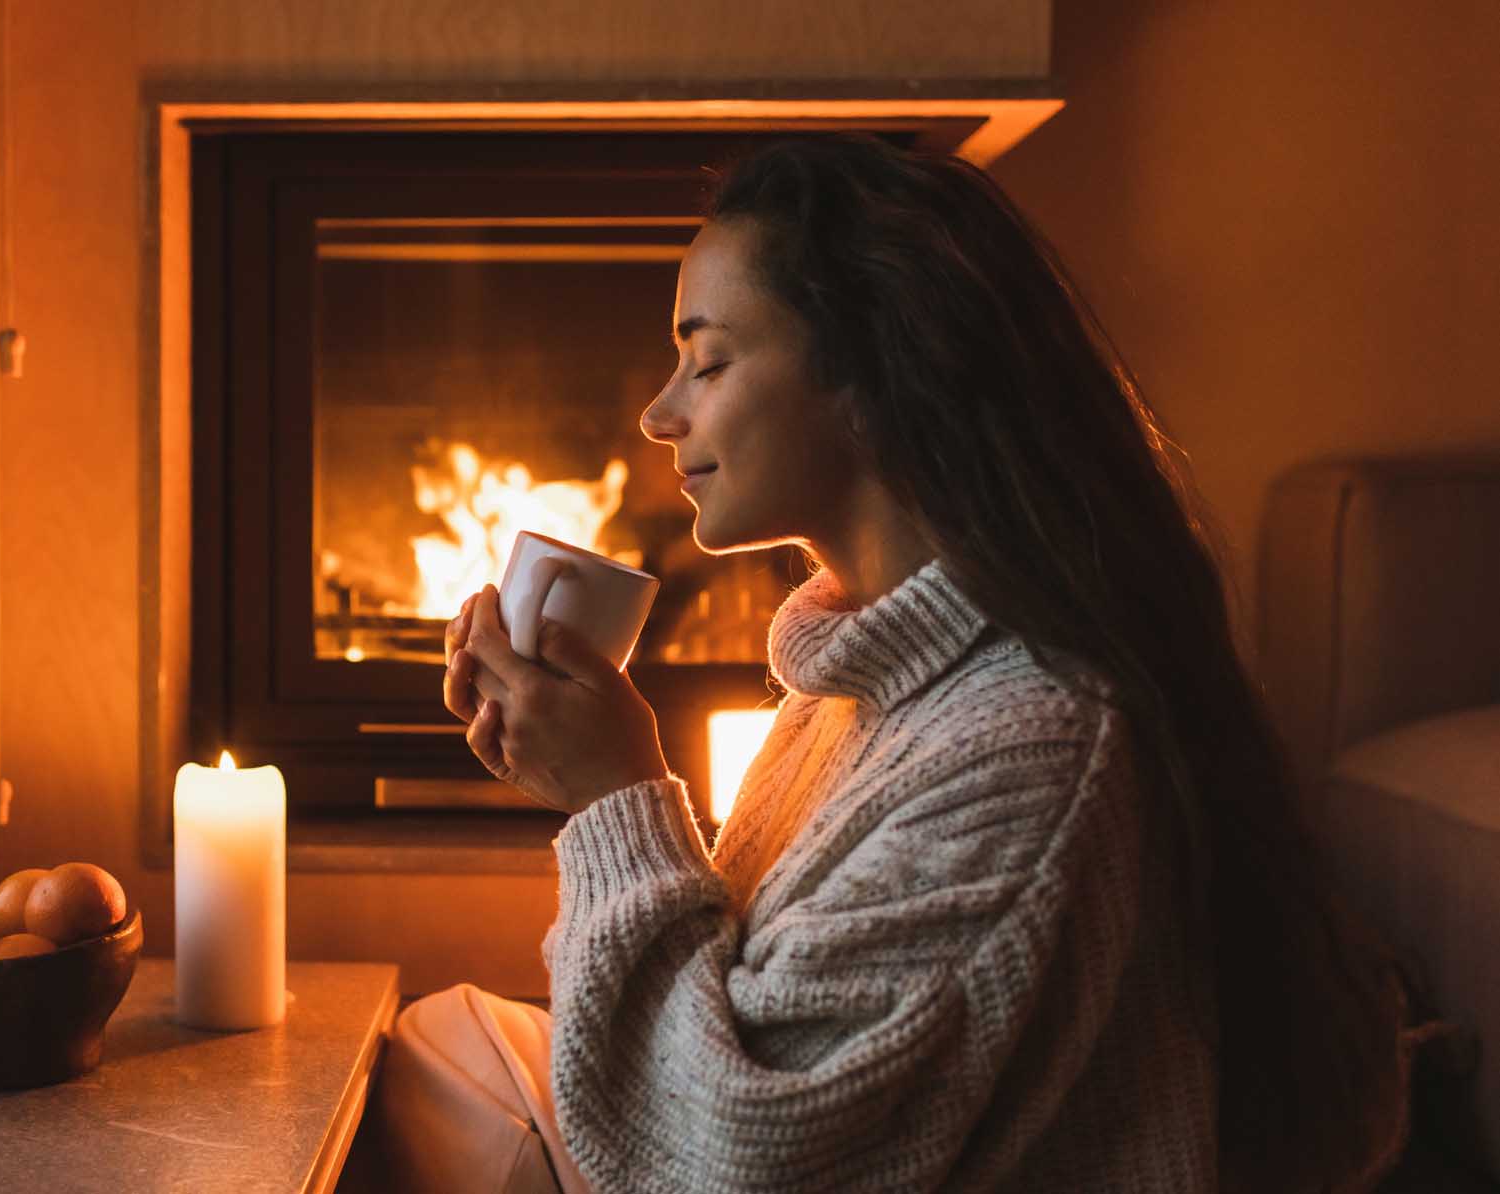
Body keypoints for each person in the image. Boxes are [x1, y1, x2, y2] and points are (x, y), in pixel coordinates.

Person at [372, 133, 1417, 1193]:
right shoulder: (860, 692)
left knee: (444, 1084)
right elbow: (749, 1008)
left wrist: (614, 798)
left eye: (710, 361)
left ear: (876, 378)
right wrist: (592, 782)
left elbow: (736, 1167)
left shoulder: (1034, 743)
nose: (658, 413)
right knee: (437, 1044)